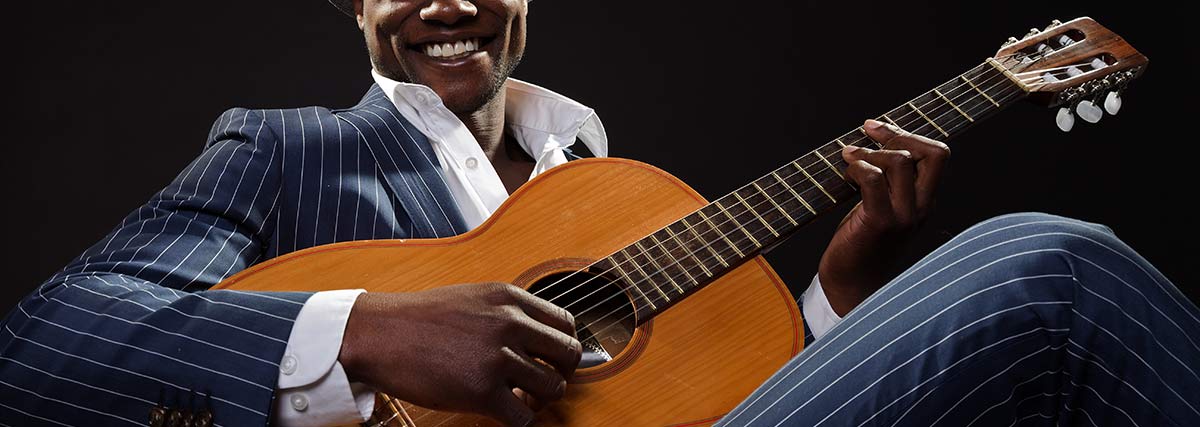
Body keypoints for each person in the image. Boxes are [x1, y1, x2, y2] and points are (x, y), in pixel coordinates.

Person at [1, 1, 1196, 426]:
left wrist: (843, 280)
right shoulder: (287, 146)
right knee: (1050, 268)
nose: (450, 0)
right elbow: (42, 350)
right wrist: (365, 332)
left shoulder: (604, 179)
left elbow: (704, 405)